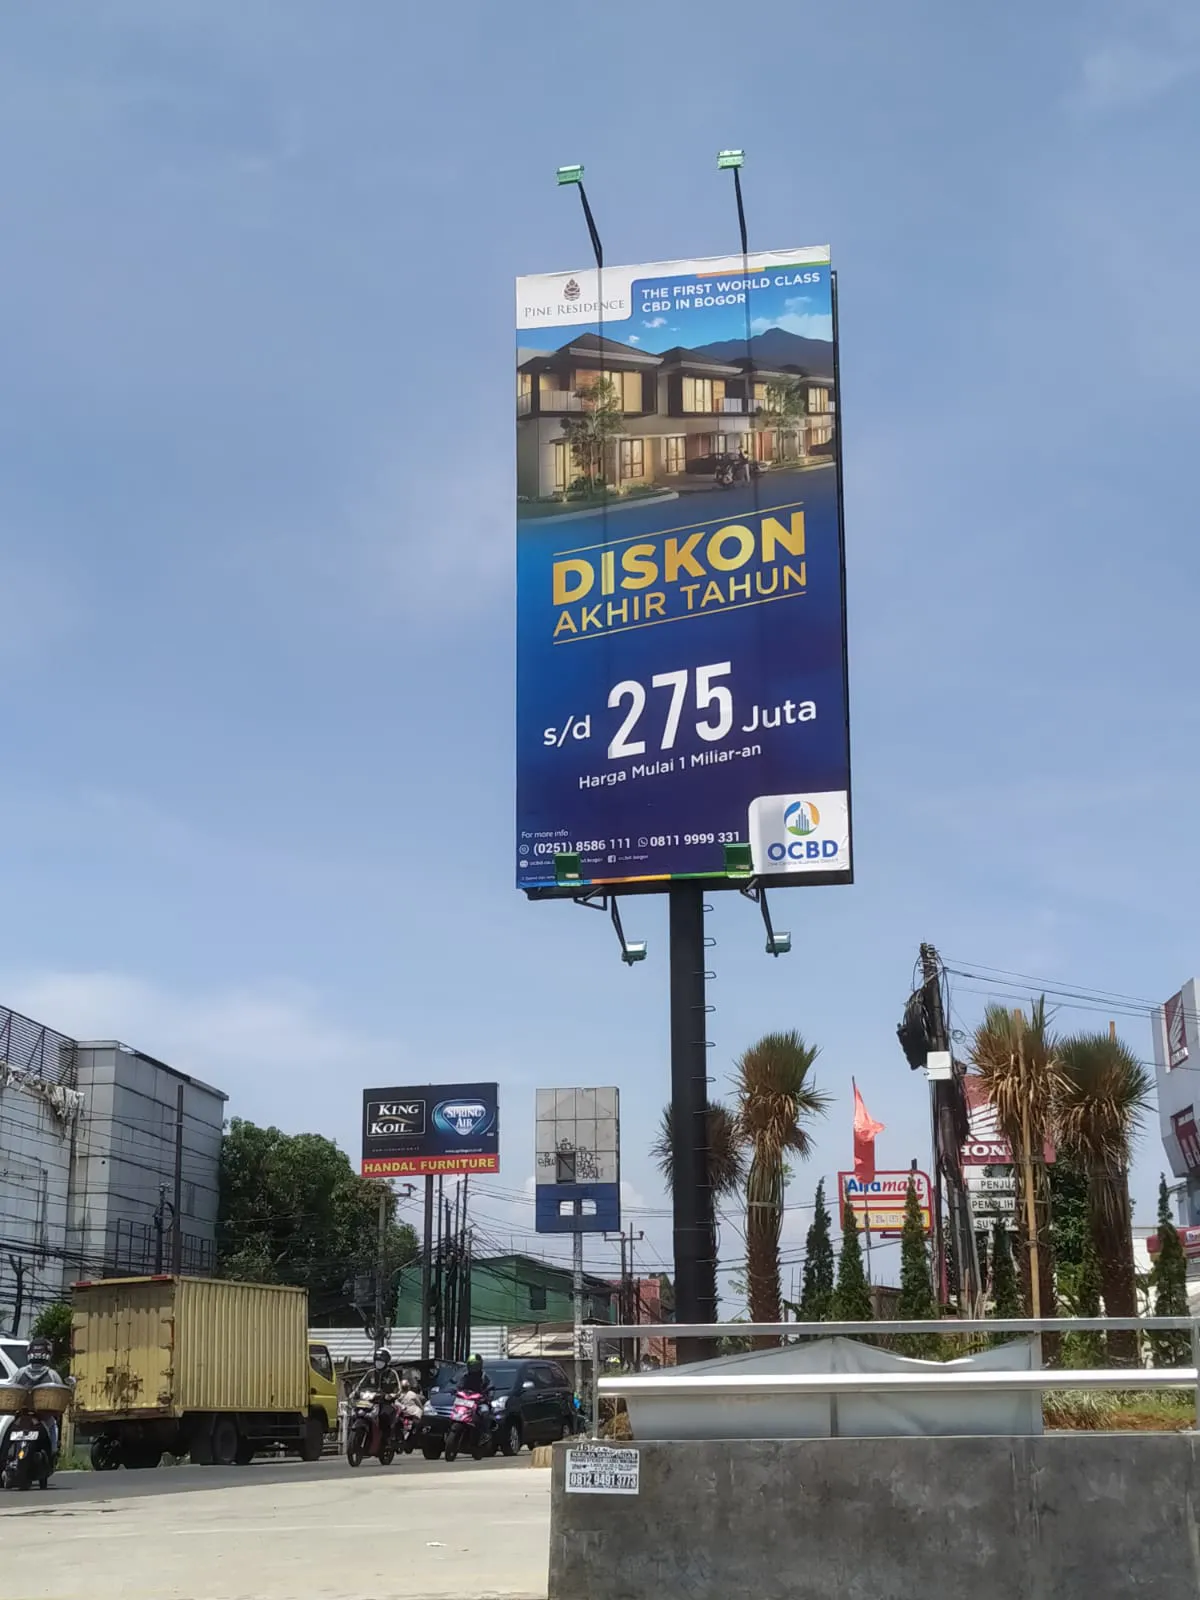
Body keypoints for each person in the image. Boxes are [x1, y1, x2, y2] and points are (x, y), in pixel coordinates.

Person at [10, 1337, 66, 1458]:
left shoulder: (20, 1372)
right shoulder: (52, 1374)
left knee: (9, 1428)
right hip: (44, 1415)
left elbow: (12, 1388)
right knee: (53, 1426)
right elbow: (60, 1391)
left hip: (22, 1414)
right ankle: (53, 1451)